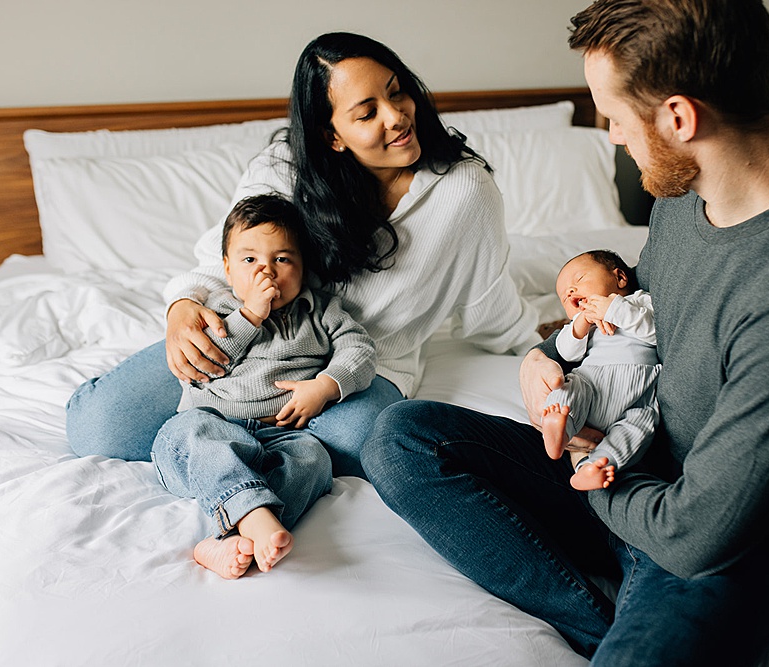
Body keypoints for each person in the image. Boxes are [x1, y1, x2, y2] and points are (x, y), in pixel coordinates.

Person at [361, 1, 769, 664]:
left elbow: (698, 531)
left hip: (713, 543)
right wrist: (544, 357)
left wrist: (590, 466)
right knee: (400, 439)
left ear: (678, 117)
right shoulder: (684, 190)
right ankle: (600, 619)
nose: (611, 135)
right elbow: (640, 302)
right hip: (626, 460)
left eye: (612, 117)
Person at [65, 32, 542, 477]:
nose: (397, 116)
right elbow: (224, 259)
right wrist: (183, 305)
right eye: (366, 112)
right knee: (100, 429)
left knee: (367, 444)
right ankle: (237, 454)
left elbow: (484, 294)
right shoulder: (282, 169)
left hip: (357, 365)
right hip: (252, 346)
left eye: (397, 93)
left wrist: (539, 340)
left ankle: (236, 458)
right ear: (331, 135)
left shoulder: (464, 190)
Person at [152, 193, 375, 578]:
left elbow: (360, 350)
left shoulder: (320, 311)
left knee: (315, 461)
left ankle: (228, 537)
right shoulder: (216, 310)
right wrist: (250, 314)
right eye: (250, 259)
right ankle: (255, 519)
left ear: (304, 267)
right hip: (212, 427)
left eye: (283, 259)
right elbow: (211, 359)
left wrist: (325, 385)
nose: (266, 272)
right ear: (226, 266)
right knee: (191, 432)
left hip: (280, 436)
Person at [541, 249, 659, 492]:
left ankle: (592, 467)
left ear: (620, 278)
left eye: (579, 279)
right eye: (565, 296)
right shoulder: (584, 323)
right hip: (594, 382)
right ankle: (560, 427)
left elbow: (657, 333)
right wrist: (581, 323)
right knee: (571, 385)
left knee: (640, 426)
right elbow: (566, 352)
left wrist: (614, 309)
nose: (570, 291)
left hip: (638, 393)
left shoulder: (639, 302)